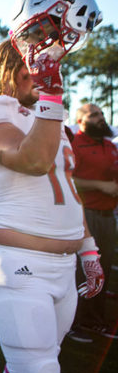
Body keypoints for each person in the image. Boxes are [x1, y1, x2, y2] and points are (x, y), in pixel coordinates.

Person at [0, 18, 103, 373]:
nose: (40, 72)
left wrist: (88, 250)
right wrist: (52, 95)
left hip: (63, 266)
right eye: (32, 63)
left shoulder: (48, 118)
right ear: (10, 63)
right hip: (21, 262)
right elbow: (33, 161)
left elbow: (67, 192)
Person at [70, 103, 118, 340]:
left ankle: (95, 320)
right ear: (81, 121)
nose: (101, 117)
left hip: (108, 216)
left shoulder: (110, 145)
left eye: (101, 114)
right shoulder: (75, 144)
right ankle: (74, 320)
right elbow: (68, 179)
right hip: (84, 214)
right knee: (82, 269)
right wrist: (99, 186)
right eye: (94, 115)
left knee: (104, 269)